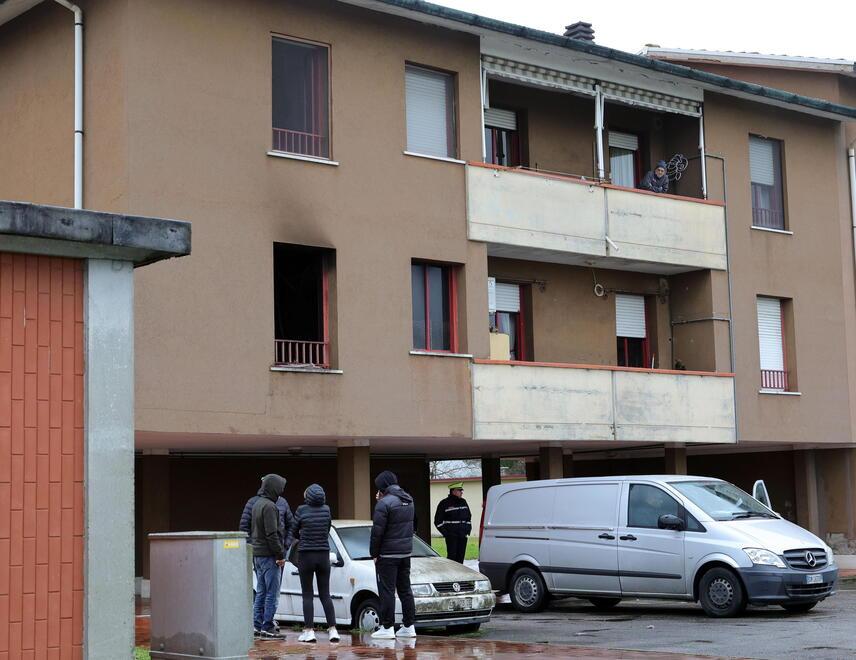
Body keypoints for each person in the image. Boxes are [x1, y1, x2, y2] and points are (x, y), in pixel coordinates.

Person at [369, 470, 417, 640]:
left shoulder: (384, 503)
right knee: (405, 590)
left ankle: (387, 627)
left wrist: (374, 553)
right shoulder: (408, 499)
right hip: (405, 553)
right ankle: (409, 626)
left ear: (382, 487)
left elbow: (377, 532)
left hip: (388, 555)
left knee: (387, 591)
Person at [291, 484, 339, 644]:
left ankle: (309, 631)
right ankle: (333, 630)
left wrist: (304, 536)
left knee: (307, 594)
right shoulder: (326, 509)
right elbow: (327, 529)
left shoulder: (301, 510)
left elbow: (293, 531)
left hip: (306, 555)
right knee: (325, 593)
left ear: (308, 496)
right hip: (323, 554)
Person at [250, 473, 288, 638]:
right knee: (272, 592)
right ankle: (267, 626)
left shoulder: (257, 504)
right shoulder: (270, 507)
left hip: (257, 554)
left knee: (261, 591)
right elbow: (272, 533)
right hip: (269, 556)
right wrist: (280, 554)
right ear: (274, 489)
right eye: (280, 488)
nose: (281, 492)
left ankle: (257, 625)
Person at [433, 482, 472, 564]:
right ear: (453, 491)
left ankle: (460, 575)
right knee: (452, 558)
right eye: (460, 490)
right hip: (452, 536)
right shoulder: (444, 503)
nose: (462, 492)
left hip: (462, 535)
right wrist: (446, 534)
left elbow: (468, 516)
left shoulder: (463, 501)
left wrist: (467, 530)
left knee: (460, 558)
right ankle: (452, 575)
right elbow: (437, 521)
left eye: (462, 490)